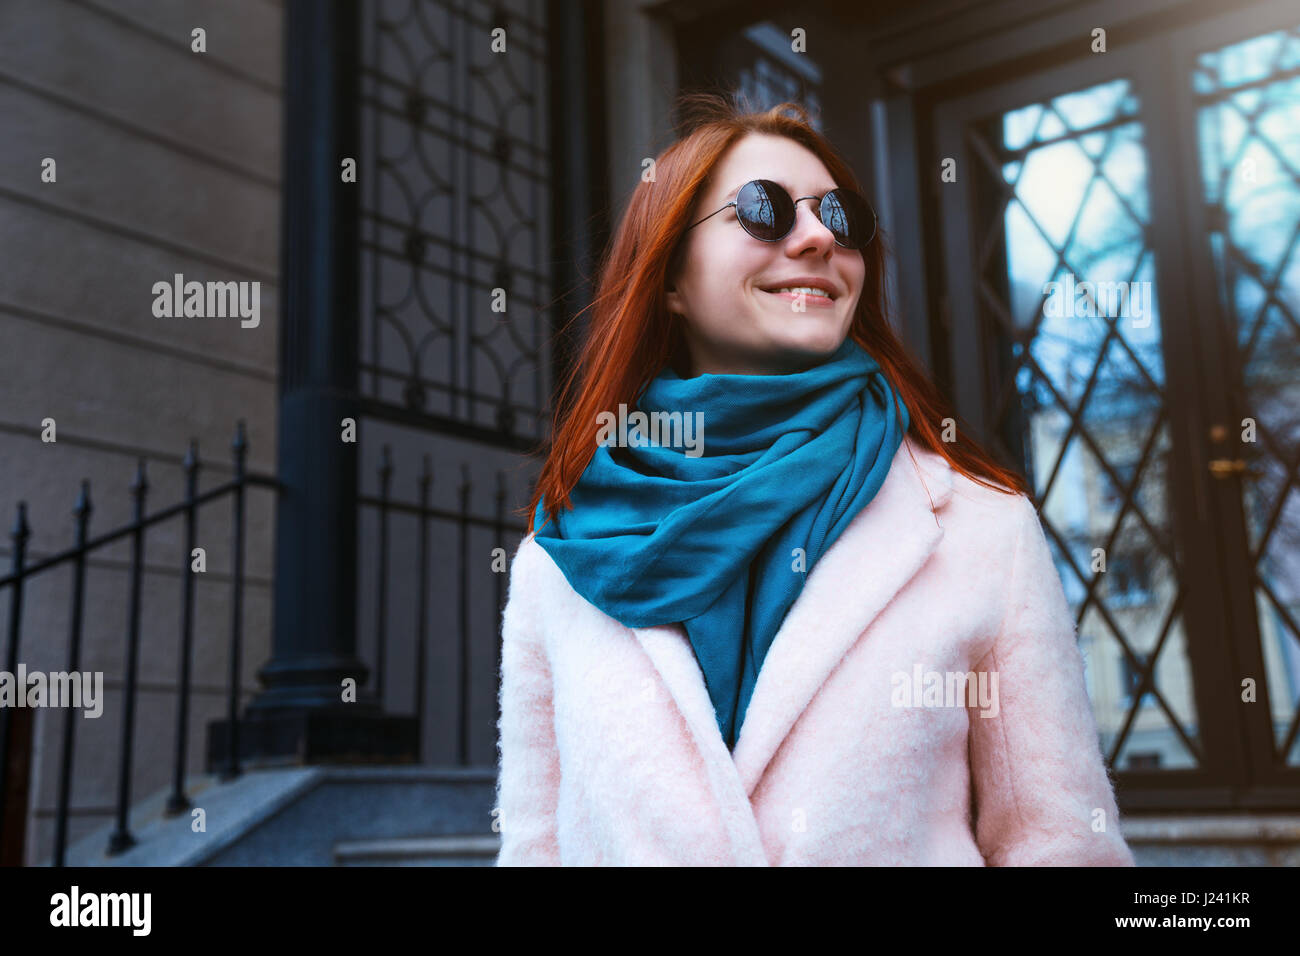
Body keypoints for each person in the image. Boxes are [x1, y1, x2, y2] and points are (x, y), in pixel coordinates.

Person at [493, 92, 1136, 867]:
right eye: (764, 211)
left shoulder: (982, 528)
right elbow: (534, 848)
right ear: (669, 278)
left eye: (844, 218)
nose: (817, 238)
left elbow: (1059, 844)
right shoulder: (557, 559)